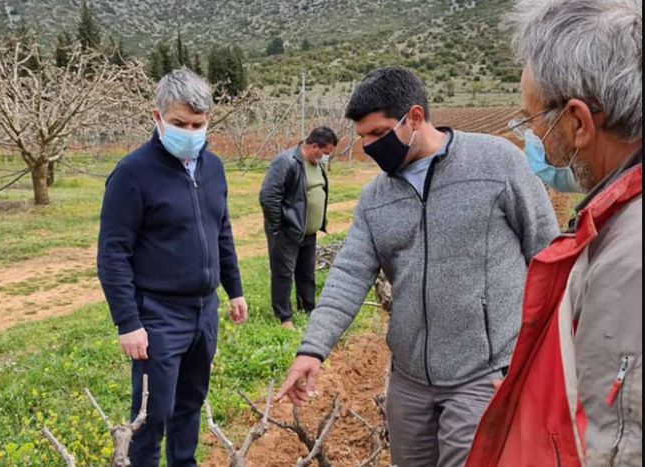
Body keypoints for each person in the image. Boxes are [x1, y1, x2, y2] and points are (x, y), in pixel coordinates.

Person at [275, 67, 559, 467]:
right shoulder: (376, 198)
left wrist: (543, 358)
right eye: (363, 137)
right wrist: (313, 349)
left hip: (483, 373)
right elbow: (349, 275)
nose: (370, 146)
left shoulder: (497, 164)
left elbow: (546, 252)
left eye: (378, 133)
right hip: (409, 383)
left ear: (415, 118)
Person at [467, 1, 642, 466]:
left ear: (579, 122)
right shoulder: (617, 225)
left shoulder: (629, 260)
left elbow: (614, 447)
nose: (535, 138)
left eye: (533, 120)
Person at [97, 67, 248, 467]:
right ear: (158, 117)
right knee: (153, 412)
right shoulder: (132, 174)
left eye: (198, 123)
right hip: (158, 313)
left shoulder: (213, 168)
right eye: (180, 123)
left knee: (191, 402)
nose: (190, 131)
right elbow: (113, 254)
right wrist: (128, 322)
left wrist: (234, 289)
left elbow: (222, 231)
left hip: (205, 310)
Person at [259, 127, 338, 329]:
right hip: (287, 231)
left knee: (306, 273)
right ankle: (284, 317)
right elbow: (269, 197)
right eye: (325, 153)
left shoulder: (316, 165)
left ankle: (308, 308)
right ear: (314, 147)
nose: (326, 158)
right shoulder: (286, 162)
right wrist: (278, 227)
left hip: (308, 232)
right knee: (283, 273)